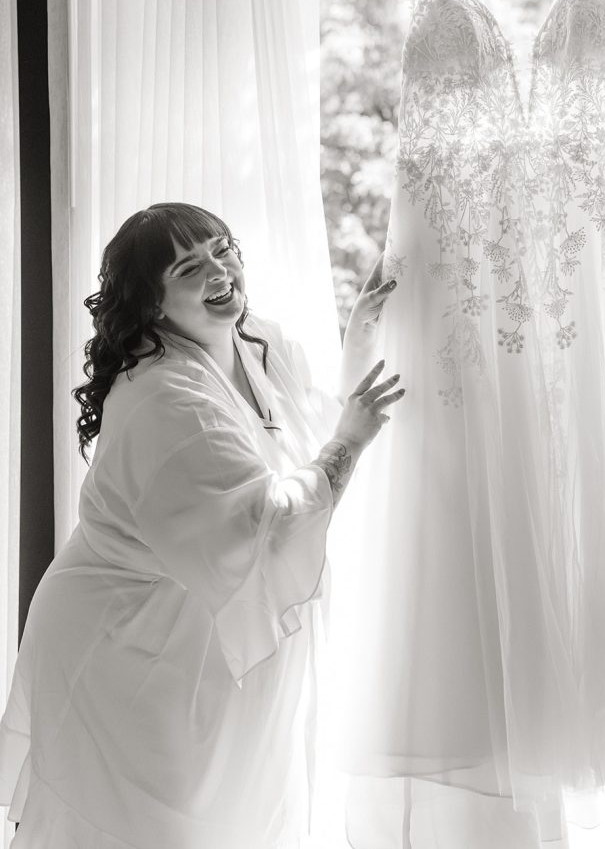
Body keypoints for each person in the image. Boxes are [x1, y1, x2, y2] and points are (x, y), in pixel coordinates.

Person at [0, 202, 404, 849]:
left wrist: (359, 336)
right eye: (191, 266)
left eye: (223, 248)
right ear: (153, 304)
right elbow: (269, 526)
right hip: (125, 647)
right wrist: (351, 440)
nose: (220, 270)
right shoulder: (162, 398)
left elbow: (308, 430)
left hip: (196, 633)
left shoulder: (257, 341)